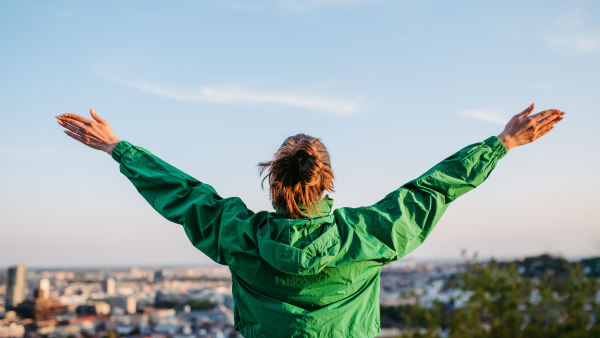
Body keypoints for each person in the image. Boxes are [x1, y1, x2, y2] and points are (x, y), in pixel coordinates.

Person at [55, 103, 564, 338]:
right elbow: (432, 188)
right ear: (329, 181)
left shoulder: (239, 236)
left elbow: (184, 195)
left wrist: (118, 148)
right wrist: (501, 144)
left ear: (272, 183)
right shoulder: (369, 235)